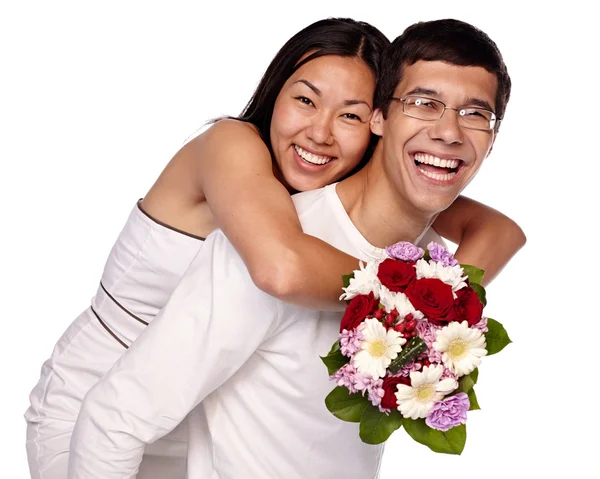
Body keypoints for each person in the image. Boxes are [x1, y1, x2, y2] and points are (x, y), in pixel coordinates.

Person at [68, 17, 519, 479]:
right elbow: (111, 422)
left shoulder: (422, 257)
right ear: (385, 116)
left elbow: (501, 230)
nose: (320, 134)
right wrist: (406, 305)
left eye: (475, 114)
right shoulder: (259, 221)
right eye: (424, 103)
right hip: (91, 385)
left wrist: (441, 307)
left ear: (369, 122)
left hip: (186, 411)